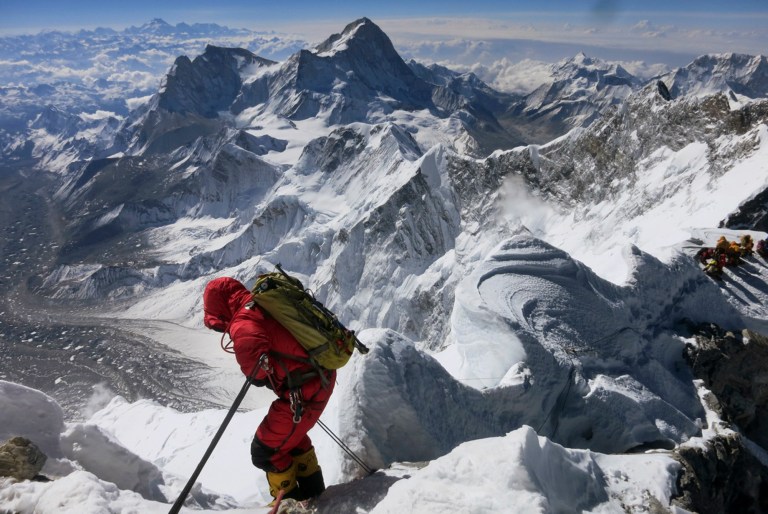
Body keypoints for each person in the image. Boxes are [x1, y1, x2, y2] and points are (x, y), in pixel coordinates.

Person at [203, 277, 334, 503]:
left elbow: (256, 371)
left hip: (305, 389)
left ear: (221, 307)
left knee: (266, 451)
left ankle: (290, 506)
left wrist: (262, 375)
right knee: (291, 441)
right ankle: (315, 497)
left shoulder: (243, 321)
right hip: (316, 379)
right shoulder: (261, 303)